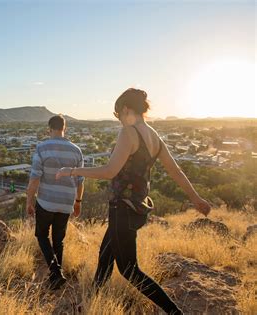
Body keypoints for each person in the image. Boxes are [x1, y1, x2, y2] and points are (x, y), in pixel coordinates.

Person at [56, 88, 211, 314]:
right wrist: (195, 198)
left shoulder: (129, 133)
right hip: (137, 207)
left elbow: (110, 171)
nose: (119, 119)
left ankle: (174, 312)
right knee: (105, 255)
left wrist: (72, 171)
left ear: (126, 109)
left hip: (123, 209)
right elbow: (175, 171)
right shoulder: (154, 136)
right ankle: (88, 304)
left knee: (129, 270)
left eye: (118, 114)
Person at [26, 114, 85, 289]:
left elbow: (35, 178)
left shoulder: (42, 148)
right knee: (58, 241)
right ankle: (55, 279)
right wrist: (78, 202)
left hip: (45, 202)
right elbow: (81, 181)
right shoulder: (76, 150)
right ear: (64, 128)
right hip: (67, 202)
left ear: (50, 128)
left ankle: (56, 271)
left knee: (42, 235)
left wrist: (29, 200)